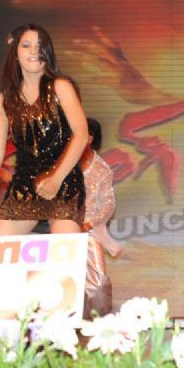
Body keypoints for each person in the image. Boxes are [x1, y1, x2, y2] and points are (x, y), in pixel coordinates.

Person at [0, 24, 88, 235]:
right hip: (24, 184)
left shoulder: (61, 87)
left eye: (39, 45)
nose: (34, 51)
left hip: (64, 179)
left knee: (63, 247)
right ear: (15, 53)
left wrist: (56, 179)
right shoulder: (4, 100)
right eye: (26, 45)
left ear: (48, 53)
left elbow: (81, 136)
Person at [80, 117, 121, 315]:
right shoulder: (63, 163)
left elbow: (109, 204)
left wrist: (88, 224)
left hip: (89, 232)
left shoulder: (101, 169)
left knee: (97, 282)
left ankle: (100, 324)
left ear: (89, 138)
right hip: (61, 229)